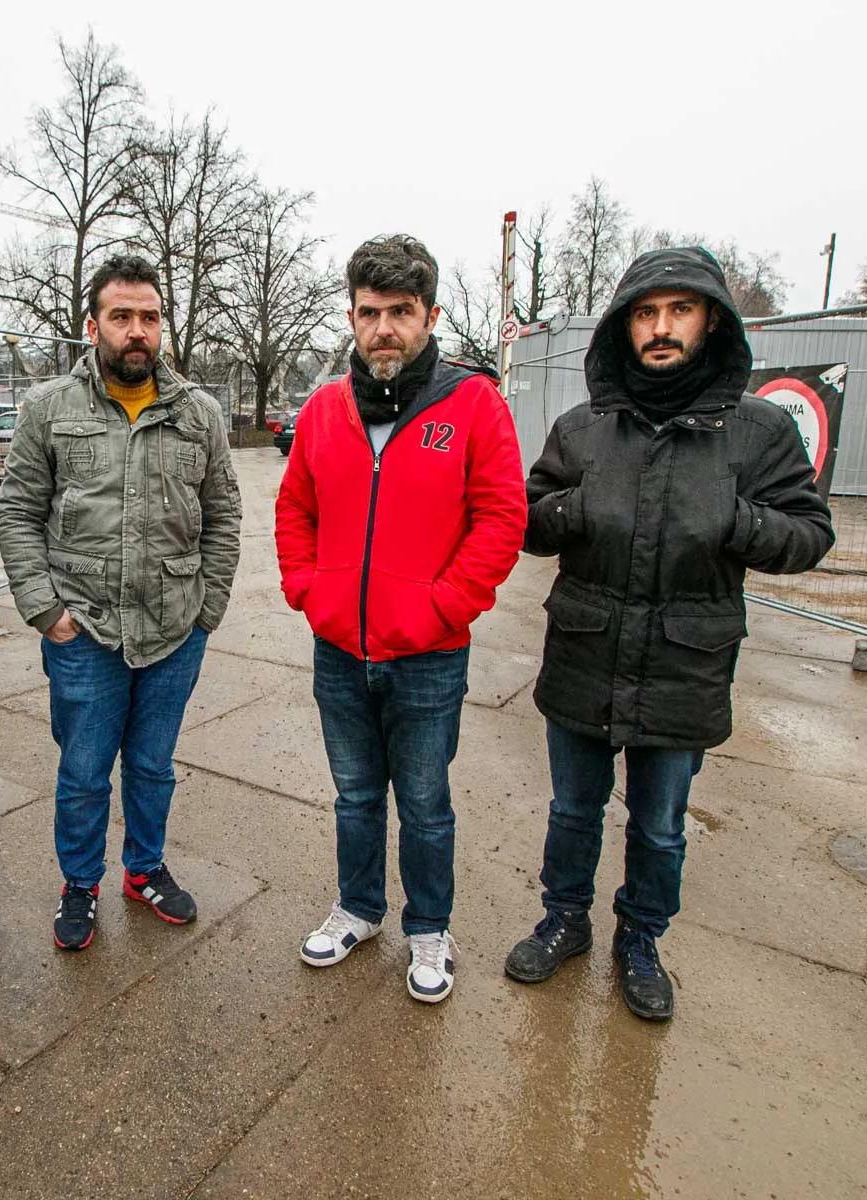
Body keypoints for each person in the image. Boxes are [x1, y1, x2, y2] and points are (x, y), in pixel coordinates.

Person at [506, 247, 835, 1021]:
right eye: (646, 314)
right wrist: (571, 510)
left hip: (686, 663)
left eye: (678, 311)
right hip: (586, 651)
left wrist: (739, 520)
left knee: (658, 825)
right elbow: (529, 519)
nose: (661, 329)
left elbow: (810, 533)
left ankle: (641, 940)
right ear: (625, 328)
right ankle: (565, 921)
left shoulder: (754, 433)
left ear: (710, 320)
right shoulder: (583, 429)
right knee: (572, 811)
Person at [276, 234, 526, 1004]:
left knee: (423, 803)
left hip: (428, 654)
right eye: (370, 312)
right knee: (355, 795)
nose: (384, 329)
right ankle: (358, 908)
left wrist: (442, 607)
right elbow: (295, 509)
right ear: (351, 316)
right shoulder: (324, 410)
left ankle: (430, 928)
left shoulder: (472, 403)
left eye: (401, 313)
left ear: (430, 316)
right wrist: (309, 592)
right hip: (339, 648)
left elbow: (500, 517)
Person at [0, 255, 241, 952]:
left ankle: (145, 870)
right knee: (81, 771)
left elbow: (223, 514)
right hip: (86, 632)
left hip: (174, 631)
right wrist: (49, 613)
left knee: (153, 765)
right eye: (122, 317)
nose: (138, 331)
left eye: (150, 317)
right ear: (93, 325)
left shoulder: (199, 414)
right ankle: (80, 883)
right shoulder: (49, 408)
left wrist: (207, 612)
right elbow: (16, 513)